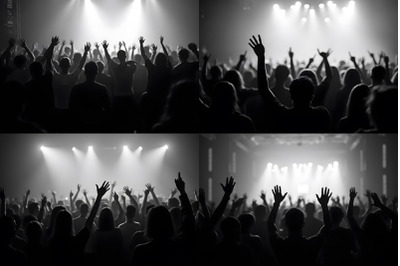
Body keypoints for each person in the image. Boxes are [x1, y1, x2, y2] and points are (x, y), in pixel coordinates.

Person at [249, 35, 330, 132]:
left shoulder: (284, 115)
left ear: (291, 96)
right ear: (312, 96)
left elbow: (264, 90)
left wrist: (261, 57)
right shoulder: (322, 114)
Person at [69, 61, 111, 132]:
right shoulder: (102, 89)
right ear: (96, 73)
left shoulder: (76, 88)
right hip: (97, 123)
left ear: (85, 73)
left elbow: (71, 108)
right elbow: (107, 109)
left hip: (80, 124)